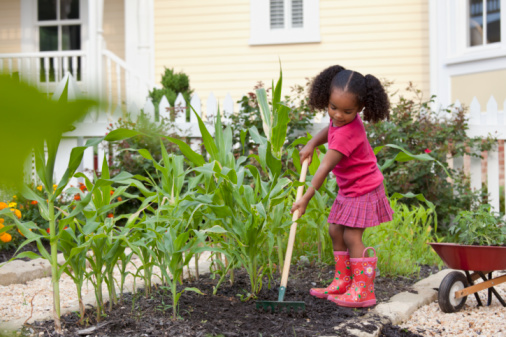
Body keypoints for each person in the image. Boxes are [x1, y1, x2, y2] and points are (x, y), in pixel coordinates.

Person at [290, 65, 393, 308]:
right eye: (333, 107)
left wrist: (305, 198)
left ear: (360, 109)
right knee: (335, 229)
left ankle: (363, 290)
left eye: (347, 111)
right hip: (350, 187)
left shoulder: (349, 133)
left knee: (351, 235)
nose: (337, 114)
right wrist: (312, 143)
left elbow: (323, 169)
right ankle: (343, 280)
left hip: (364, 189)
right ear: (327, 98)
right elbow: (330, 129)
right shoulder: (340, 118)